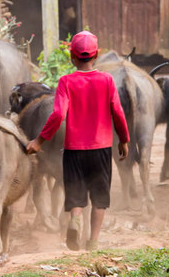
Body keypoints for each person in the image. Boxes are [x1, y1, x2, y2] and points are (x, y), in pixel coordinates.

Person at [26, 31, 130, 251]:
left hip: (74, 150)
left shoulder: (66, 82)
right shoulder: (107, 80)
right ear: (97, 55)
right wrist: (123, 139)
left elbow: (57, 115)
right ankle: (93, 241)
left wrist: (39, 141)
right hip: (101, 148)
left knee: (76, 195)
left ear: (72, 57)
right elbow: (118, 113)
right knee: (100, 199)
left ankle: (75, 220)